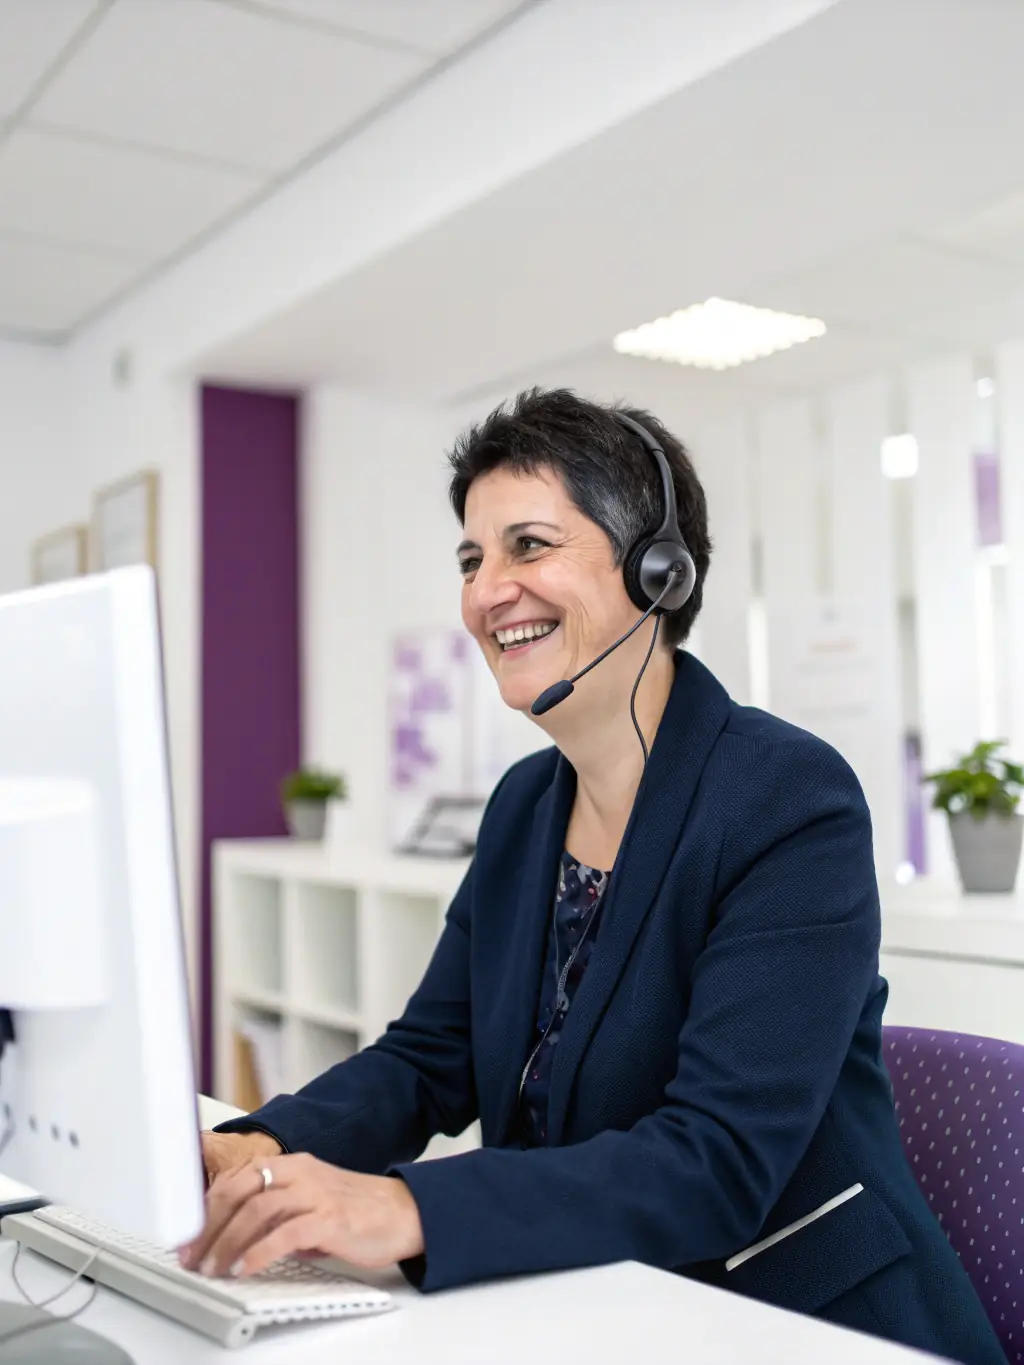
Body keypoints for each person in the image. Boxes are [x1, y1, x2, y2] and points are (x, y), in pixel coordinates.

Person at [182, 388, 1005, 1365]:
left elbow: (717, 1159)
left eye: (527, 545)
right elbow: (427, 1056)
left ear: (656, 572)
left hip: (797, 1319)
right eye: (470, 558)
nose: (488, 589)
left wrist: (410, 1207)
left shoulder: (786, 799)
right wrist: (261, 1143)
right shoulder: (526, 807)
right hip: (595, 1300)